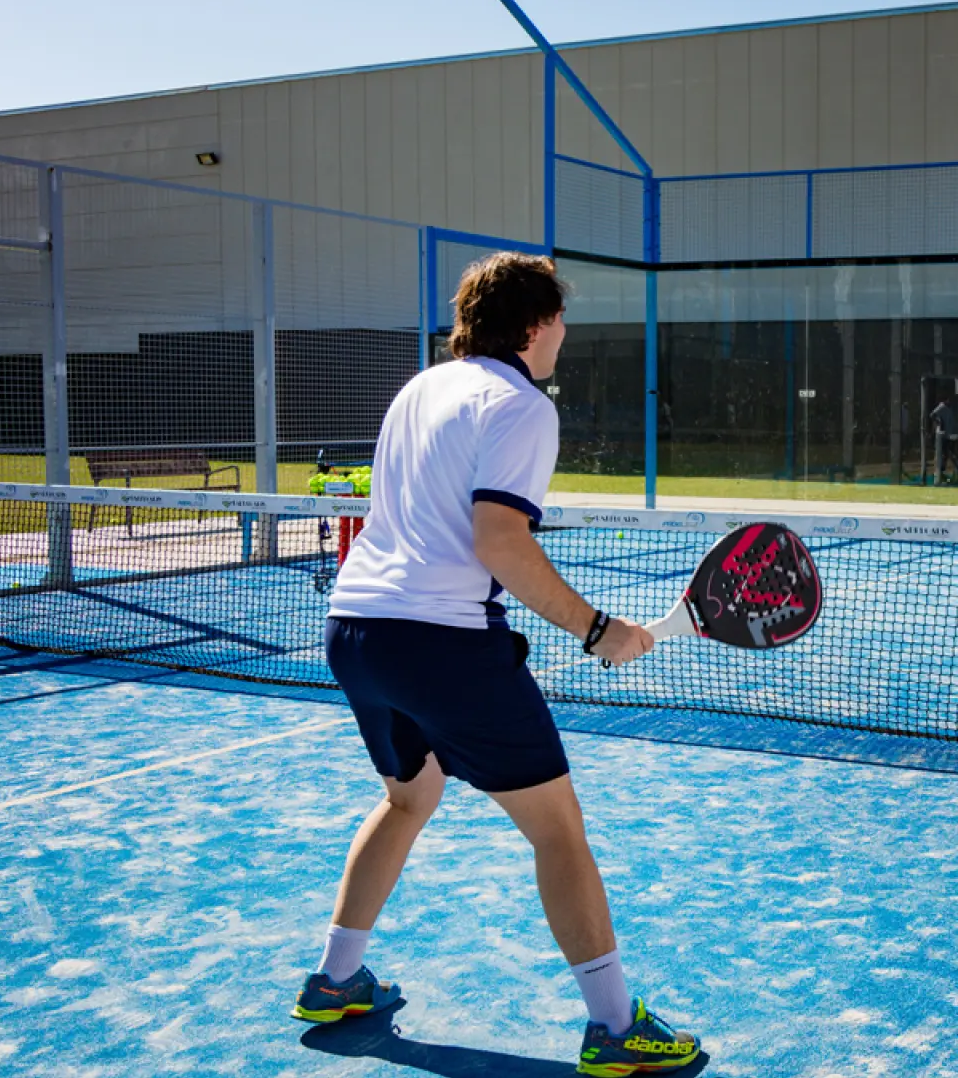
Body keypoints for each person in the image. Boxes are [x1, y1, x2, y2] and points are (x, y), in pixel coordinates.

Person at [297, 252, 702, 1076]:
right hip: (441, 643)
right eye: (559, 322)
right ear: (531, 325)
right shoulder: (520, 406)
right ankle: (617, 1027)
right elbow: (499, 541)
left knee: (409, 798)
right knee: (559, 832)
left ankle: (336, 979)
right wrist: (598, 630)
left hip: (354, 629)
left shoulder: (421, 388)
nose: (562, 338)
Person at [927, 396, 957, 485]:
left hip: (948, 435)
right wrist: (939, 422)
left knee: (946, 454)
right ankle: (937, 472)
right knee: (941, 453)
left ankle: (942, 470)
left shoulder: (950, 408)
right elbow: (932, 415)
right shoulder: (941, 406)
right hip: (941, 435)